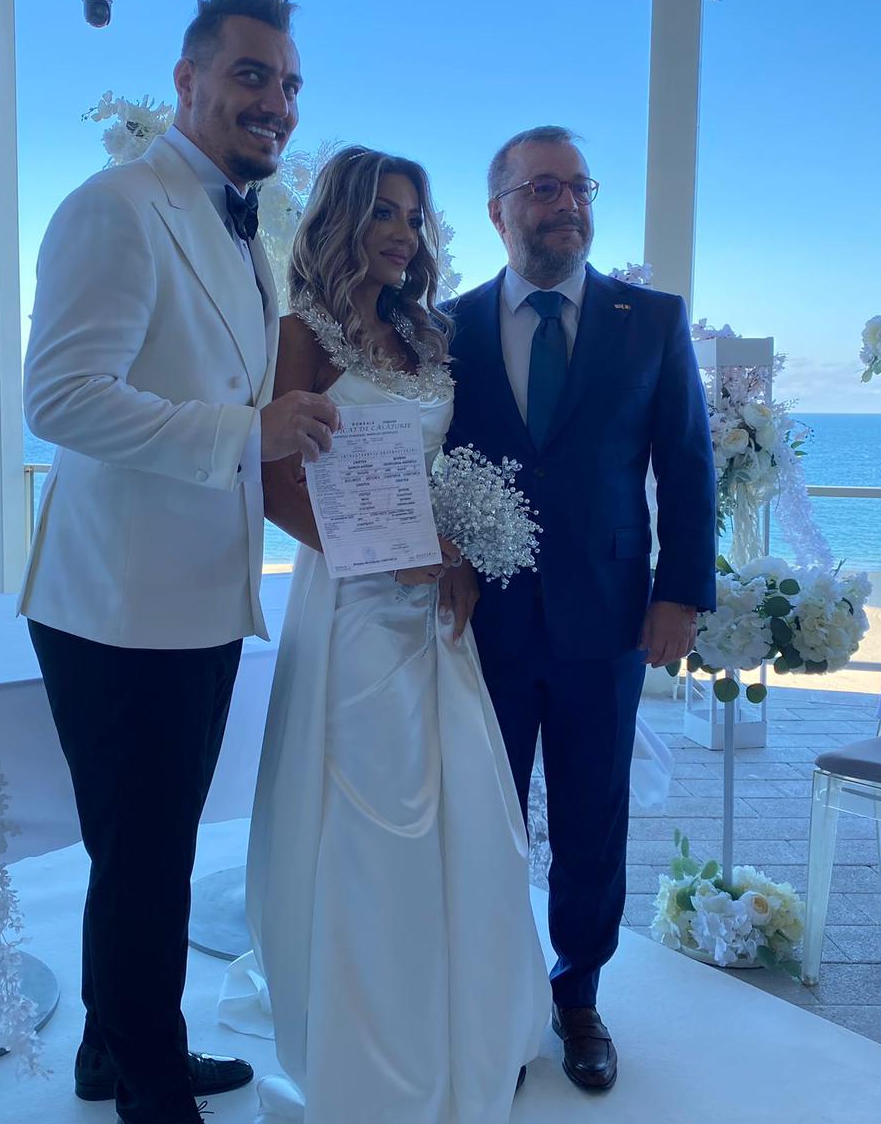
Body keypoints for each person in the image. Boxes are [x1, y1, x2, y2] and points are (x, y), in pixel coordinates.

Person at [19, 0, 339, 1124]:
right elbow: (60, 398)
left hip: (198, 595)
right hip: (117, 603)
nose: (276, 102)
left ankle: (111, 1050)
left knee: (144, 853)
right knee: (146, 861)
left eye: (289, 84)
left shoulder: (241, 228)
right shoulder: (116, 205)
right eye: (252, 75)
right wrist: (247, 434)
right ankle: (152, 1088)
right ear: (188, 81)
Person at [222, 146, 550, 1122]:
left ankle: (461, 1024)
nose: (404, 234)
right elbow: (274, 482)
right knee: (373, 815)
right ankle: (377, 1053)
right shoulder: (300, 334)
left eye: (413, 217)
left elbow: (434, 469)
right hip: (353, 606)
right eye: (383, 213)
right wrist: (382, 554)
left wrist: (457, 557)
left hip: (434, 613)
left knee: (465, 809)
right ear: (341, 219)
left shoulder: (424, 335)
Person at [441, 125, 717, 1095]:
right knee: (486, 815)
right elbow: (423, 460)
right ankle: (496, 998)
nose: (567, 206)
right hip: (481, 622)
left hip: (609, 618)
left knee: (593, 817)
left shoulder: (652, 320)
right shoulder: (447, 328)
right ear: (498, 210)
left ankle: (578, 995)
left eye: (579, 188)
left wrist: (680, 592)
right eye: (543, 189)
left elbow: (687, 463)